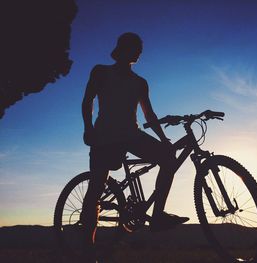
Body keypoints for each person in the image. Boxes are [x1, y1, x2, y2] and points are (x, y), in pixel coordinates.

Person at [80, 32, 189, 257]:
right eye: (135, 47)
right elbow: (88, 100)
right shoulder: (101, 71)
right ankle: (87, 249)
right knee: (96, 190)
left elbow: (149, 114)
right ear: (123, 49)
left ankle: (157, 216)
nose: (139, 52)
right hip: (104, 136)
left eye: (140, 48)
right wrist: (88, 128)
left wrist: (163, 139)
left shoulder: (140, 83)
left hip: (132, 135)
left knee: (168, 158)